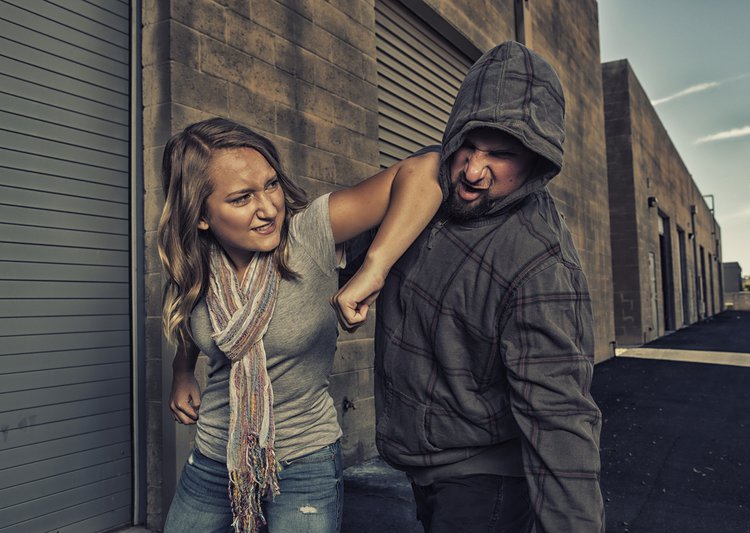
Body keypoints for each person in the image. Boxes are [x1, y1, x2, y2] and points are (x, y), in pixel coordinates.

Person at [334, 41, 604, 532]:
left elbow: (560, 416)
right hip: (427, 466)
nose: (474, 171)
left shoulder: (540, 265)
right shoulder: (430, 192)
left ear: (536, 161)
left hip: (487, 482)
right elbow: (353, 246)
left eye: (500, 155)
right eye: (468, 147)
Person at [158, 117, 441, 533]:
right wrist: (181, 371)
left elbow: (427, 170)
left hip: (304, 460)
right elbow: (190, 321)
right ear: (200, 216)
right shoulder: (196, 267)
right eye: (241, 198)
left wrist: (375, 268)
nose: (268, 208)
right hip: (215, 457)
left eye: (270, 184)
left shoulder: (308, 232)